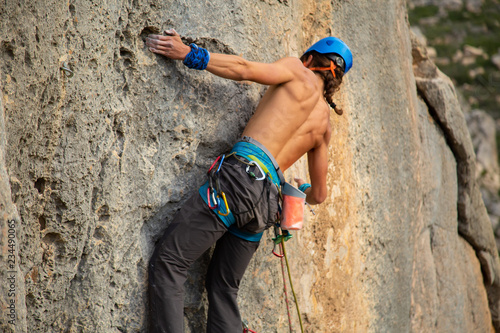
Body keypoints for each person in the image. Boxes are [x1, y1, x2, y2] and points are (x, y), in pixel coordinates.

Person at [145, 29, 353, 333]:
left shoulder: (297, 70)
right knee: (223, 288)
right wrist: (302, 188)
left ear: (309, 58)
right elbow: (319, 195)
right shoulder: (324, 124)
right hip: (267, 205)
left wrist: (189, 53)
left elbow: (244, 69)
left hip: (239, 181)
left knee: (170, 263)